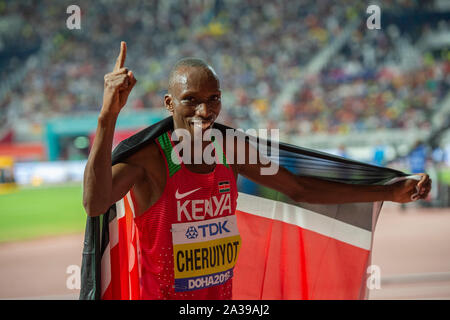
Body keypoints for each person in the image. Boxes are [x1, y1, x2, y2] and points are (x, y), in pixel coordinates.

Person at [82, 42, 432, 300]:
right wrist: (107, 117)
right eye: (191, 99)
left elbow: (300, 189)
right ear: (169, 103)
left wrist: (388, 190)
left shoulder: (229, 148)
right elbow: (95, 204)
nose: (205, 110)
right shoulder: (150, 159)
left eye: (214, 98)